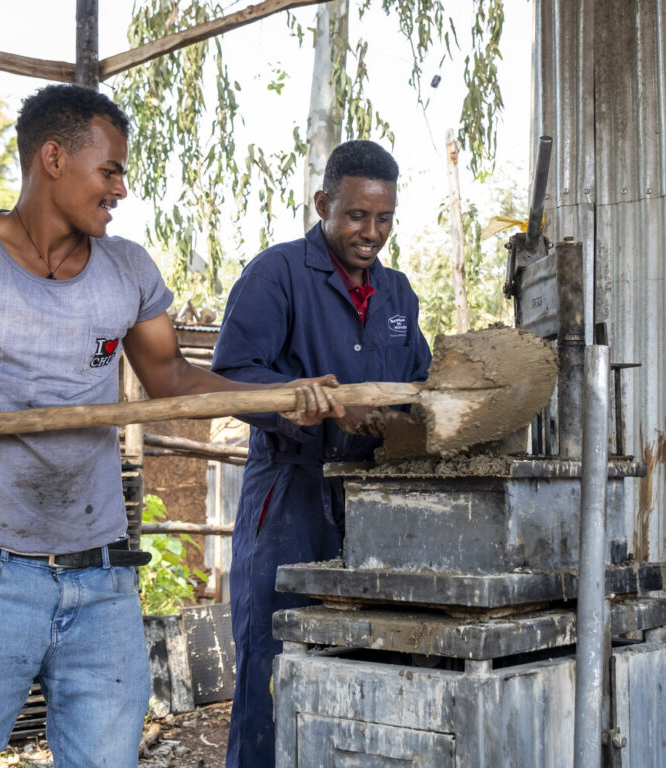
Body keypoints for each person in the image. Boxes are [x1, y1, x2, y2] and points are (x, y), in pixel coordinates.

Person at [0, 84, 342, 768]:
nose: (121, 189)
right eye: (109, 171)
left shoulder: (127, 269)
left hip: (102, 579)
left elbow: (174, 381)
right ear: (52, 158)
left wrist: (284, 396)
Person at [211, 139, 432, 767]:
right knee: (274, 664)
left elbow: (416, 384)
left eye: (384, 218)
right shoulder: (277, 273)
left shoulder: (397, 294)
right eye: (357, 216)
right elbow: (230, 376)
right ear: (322, 205)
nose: (372, 232)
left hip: (369, 503)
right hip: (290, 493)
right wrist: (299, 404)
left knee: (363, 658)